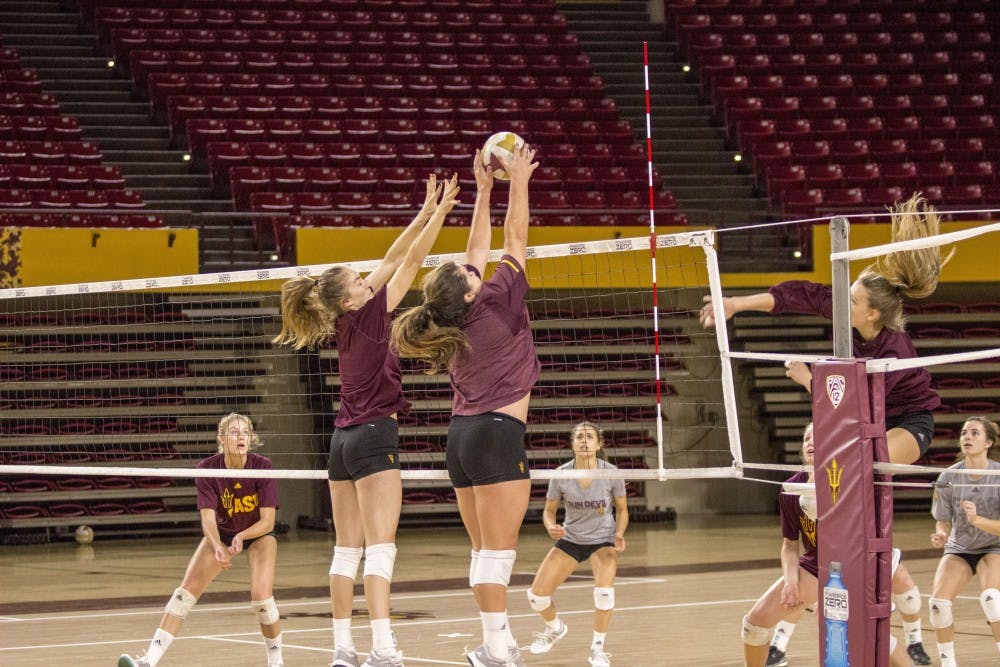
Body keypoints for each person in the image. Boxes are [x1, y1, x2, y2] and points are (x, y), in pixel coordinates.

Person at [272, 174, 460, 667]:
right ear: (351, 298)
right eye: (359, 280)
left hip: (341, 442)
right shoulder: (373, 314)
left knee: (345, 551)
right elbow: (412, 262)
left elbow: (393, 258)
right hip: (375, 435)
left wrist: (423, 211)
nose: (367, 278)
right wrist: (440, 216)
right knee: (380, 549)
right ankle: (382, 648)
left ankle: (341, 650)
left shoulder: (345, 316)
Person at [390, 144, 539, 667]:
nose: (473, 266)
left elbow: (477, 253)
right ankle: (498, 651)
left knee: (484, 556)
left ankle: (494, 643)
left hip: (463, 440)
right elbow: (514, 239)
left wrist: (483, 190)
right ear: (473, 292)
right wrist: (518, 181)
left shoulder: (450, 316)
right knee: (495, 559)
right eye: (469, 272)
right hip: (497, 437)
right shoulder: (496, 304)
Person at [699, 193, 953, 466]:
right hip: (864, 418)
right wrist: (735, 304)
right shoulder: (847, 315)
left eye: (851, 300)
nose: (841, 302)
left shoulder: (895, 350)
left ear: (872, 314)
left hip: (908, 420)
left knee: (865, 463)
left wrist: (808, 380)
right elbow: (797, 295)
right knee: (834, 464)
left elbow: (858, 405)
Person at [117, 413, 283, 667]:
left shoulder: (262, 466)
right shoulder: (207, 469)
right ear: (221, 439)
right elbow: (207, 519)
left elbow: (268, 521)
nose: (241, 437)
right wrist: (217, 545)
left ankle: (276, 661)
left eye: (245, 432)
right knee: (184, 594)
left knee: (261, 598)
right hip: (223, 531)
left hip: (257, 534)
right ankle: (148, 661)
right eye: (234, 432)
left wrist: (242, 535)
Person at [741, 423, 911, 667]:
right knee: (754, 625)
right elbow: (789, 545)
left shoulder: (849, 481)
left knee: (869, 635)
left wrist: (833, 592)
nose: (810, 442)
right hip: (814, 567)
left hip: (853, 568)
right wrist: (790, 580)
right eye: (806, 438)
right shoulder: (791, 487)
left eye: (817, 437)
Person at [526, 421, 628, 667]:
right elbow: (549, 511)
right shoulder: (561, 475)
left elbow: (623, 509)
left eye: (590, 437)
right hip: (571, 538)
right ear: (572, 444)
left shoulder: (611, 472)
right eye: (580, 437)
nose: (584, 441)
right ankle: (555, 628)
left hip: (602, 539)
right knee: (536, 597)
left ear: (598, 444)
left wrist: (619, 533)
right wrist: (550, 525)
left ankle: (597, 649)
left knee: (604, 594)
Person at [764, 554, 932, 666]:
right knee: (797, 591)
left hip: (866, 546)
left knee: (908, 594)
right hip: (826, 551)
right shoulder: (803, 503)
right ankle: (778, 646)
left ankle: (914, 642)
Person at [928, 416, 1000, 667]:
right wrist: (942, 533)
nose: (967, 437)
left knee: (992, 598)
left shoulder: (998, 476)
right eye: (964, 433)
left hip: (994, 546)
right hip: (960, 547)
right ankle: (949, 663)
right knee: (938, 605)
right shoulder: (947, 476)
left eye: (974, 433)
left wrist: (978, 520)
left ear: (988, 442)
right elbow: (943, 520)